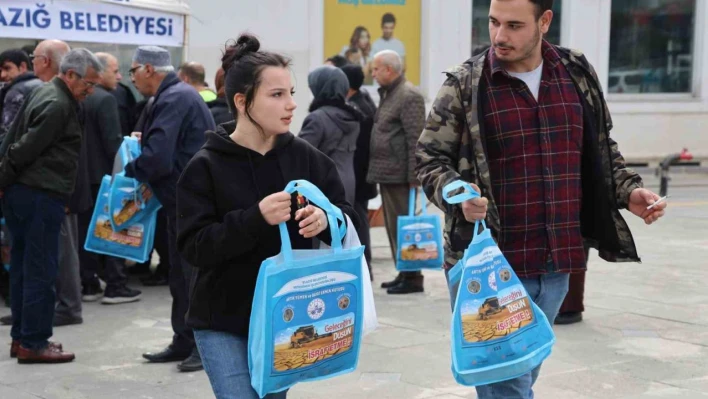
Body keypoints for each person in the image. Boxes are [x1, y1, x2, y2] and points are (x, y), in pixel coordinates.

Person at [415, 0, 667, 397]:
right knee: (508, 387)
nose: (499, 36)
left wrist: (628, 190)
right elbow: (428, 159)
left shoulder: (575, 72)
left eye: (514, 25)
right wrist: (457, 195)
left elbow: (599, 150)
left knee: (521, 375)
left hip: (557, 261)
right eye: (494, 22)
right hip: (489, 265)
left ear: (545, 21)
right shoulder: (466, 83)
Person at [176, 34, 358, 399]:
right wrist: (254, 218)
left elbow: (350, 220)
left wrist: (325, 220)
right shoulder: (205, 166)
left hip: (288, 319)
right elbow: (194, 248)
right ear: (242, 101)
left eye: (291, 92)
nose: (291, 105)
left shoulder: (306, 157)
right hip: (222, 321)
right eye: (277, 95)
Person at [0, 48, 103, 364]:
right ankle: (34, 342)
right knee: (41, 270)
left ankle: (22, 337)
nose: (91, 90)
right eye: (88, 83)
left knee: (22, 267)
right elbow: (22, 149)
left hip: (24, 194)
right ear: (70, 75)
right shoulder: (58, 104)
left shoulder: (43, 92)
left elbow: (12, 141)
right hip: (38, 196)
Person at [127, 46, 215, 372]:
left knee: (192, 276)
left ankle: (202, 347)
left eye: (133, 70)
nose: (131, 78)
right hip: (179, 200)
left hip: (190, 202)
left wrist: (130, 170)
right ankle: (183, 340)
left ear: (149, 69)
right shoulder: (171, 96)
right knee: (179, 275)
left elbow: (158, 157)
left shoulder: (175, 97)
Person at [78, 52, 142, 304]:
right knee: (113, 227)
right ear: (99, 71)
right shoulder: (105, 100)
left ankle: (89, 283)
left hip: (83, 176)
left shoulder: (82, 97)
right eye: (114, 71)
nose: (119, 76)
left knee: (87, 230)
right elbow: (113, 143)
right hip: (106, 177)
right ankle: (115, 284)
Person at [368, 50, 426, 295]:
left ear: (389, 70)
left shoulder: (408, 95)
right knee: (394, 228)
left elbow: (416, 139)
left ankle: (412, 277)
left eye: (376, 69)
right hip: (389, 173)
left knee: (404, 228)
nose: (373, 74)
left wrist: (415, 176)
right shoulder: (391, 93)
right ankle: (404, 272)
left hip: (401, 177)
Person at [299, 65, 360, 206]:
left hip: (324, 186)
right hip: (348, 184)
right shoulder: (352, 116)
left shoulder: (317, 118)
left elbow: (300, 155)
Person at [340, 64, 377, 276]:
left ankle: (365, 267)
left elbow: (361, 148)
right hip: (361, 173)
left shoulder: (358, 108)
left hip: (359, 173)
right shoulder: (362, 101)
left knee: (360, 222)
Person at [0, 49, 42, 141]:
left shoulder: (16, 91)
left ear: (22, 66)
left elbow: (7, 133)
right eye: (0, 71)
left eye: (7, 68)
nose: (2, 75)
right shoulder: (43, 84)